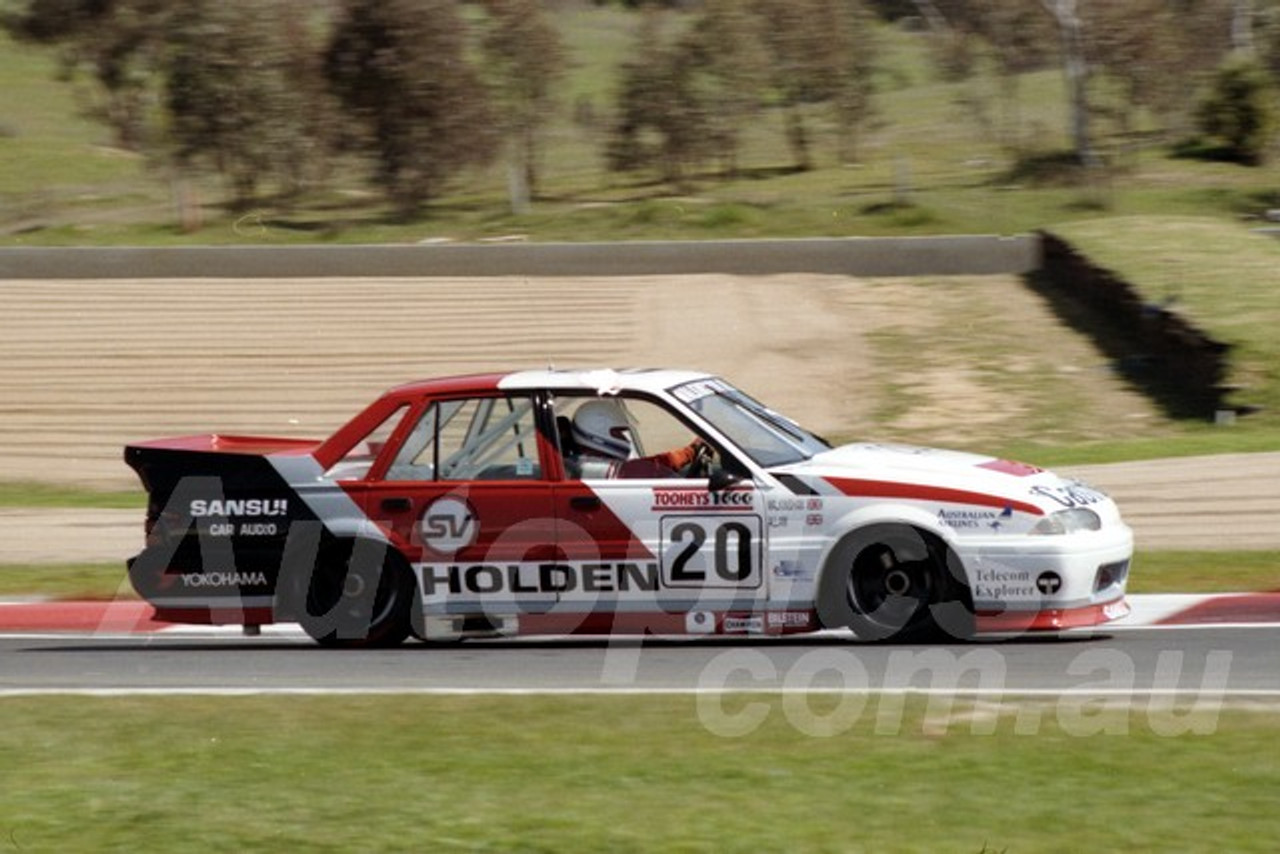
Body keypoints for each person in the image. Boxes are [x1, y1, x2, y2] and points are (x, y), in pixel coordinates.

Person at [566, 399, 707, 478]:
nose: (624, 438)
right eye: (618, 432)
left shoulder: (598, 461)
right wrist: (690, 452)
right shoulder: (586, 466)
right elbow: (647, 468)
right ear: (596, 432)